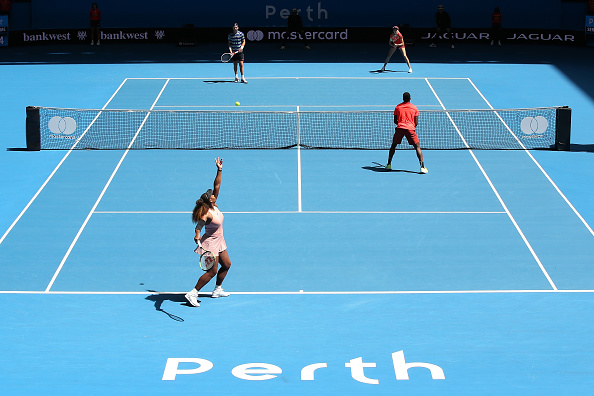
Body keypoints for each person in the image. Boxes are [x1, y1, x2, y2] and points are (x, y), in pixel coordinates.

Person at [185, 158, 232, 307]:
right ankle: (192, 293)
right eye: (211, 195)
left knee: (227, 264)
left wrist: (219, 169)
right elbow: (199, 225)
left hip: (220, 240)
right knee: (212, 272)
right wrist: (197, 234)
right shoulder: (206, 213)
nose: (213, 194)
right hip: (210, 243)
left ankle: (217, 289)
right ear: (208, 201)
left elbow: (217, 184)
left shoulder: (214, 203)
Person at [385, 92, 427, 174]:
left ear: (403, 98)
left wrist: (401, 125)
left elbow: (395, 121)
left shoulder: (398, 107)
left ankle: (389, 164)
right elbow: (416, 122)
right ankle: (422, 167)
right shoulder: (414, 108)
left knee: (393, 145)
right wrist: (410, 127)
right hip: (410, 129)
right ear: (410, 98)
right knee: (417, 147)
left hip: (400, 128)